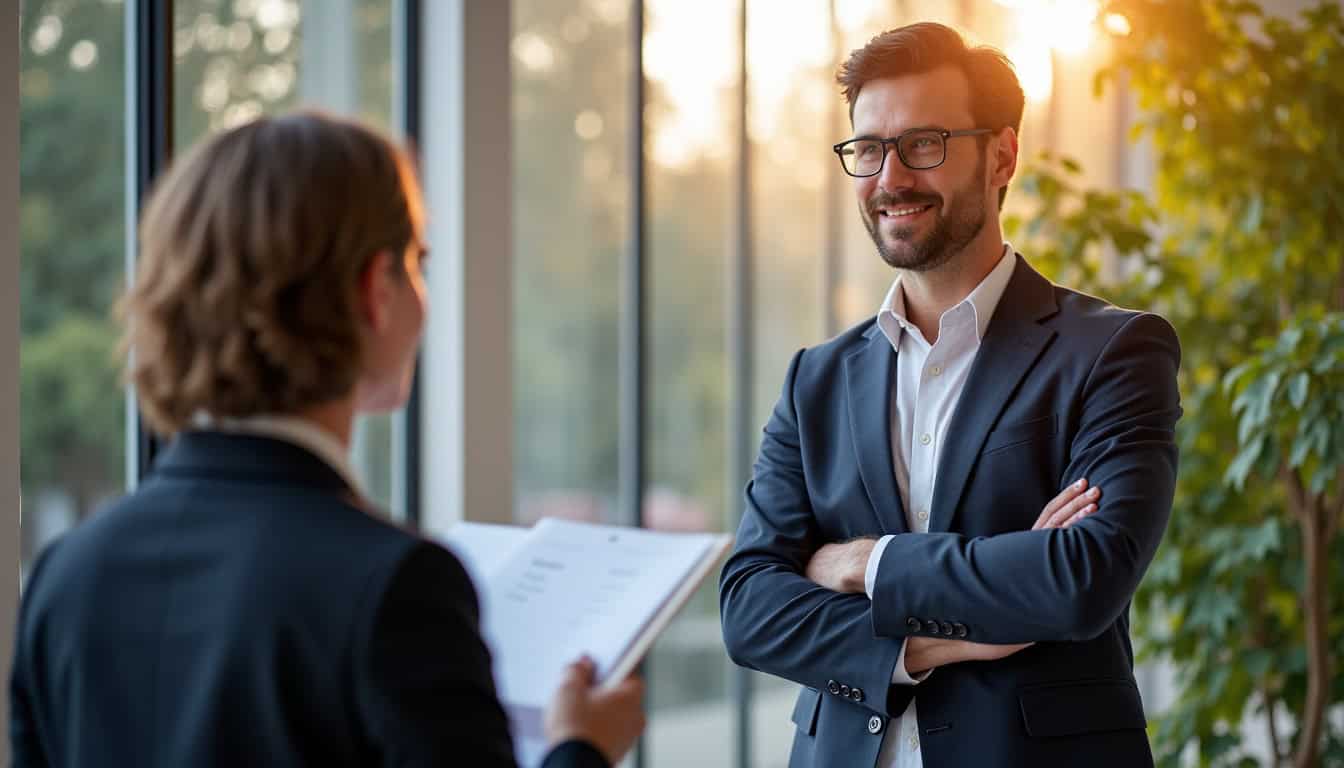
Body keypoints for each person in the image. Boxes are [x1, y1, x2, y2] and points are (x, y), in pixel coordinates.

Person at [9, 112, 644, 768]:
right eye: (418, 262)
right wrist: (581, 751)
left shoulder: (67, 574)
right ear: (375, 292)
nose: (425, 296)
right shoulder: (400, 587)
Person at [718, 22, 1181, 768]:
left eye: (924, 143)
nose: (891, 177)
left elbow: (1080, 579)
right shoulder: (818, 380)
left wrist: (865, 564)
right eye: (869, 149)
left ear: (1002, 154)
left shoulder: (1114, 352)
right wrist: (936, 639)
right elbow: (748, 610)